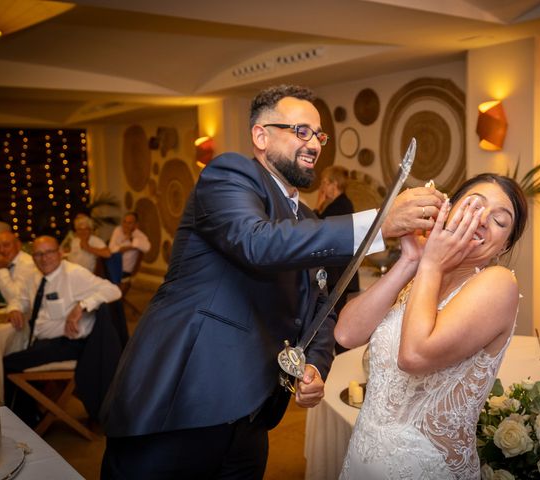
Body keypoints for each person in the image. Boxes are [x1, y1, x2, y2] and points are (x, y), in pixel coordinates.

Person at [100, 84, 445, 479]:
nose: (314, 143)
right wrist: (379, 223)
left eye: (319, 134)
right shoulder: (228, 175)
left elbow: (323, 308)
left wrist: (314, 366)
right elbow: (257, 243)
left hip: (254, 412)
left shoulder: (313, 224)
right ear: (261, 136)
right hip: (181, 403)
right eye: (301, 131)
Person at [335, 174, 528, 479]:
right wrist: (411, 259)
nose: (481, 219)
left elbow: (413, 356)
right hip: (363, 455)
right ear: (448, 209)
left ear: (503, 246)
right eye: (474, 205)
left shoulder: (498, 284)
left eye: (500, 221)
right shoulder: (422, 273)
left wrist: (431, 264)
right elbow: (346, 333)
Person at [3, 235, 121, 424]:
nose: (44, 258)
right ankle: (30, 414)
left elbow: (113, 290)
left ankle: (24, 421)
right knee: (13, 354)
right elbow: (22, 298)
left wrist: (82, 305)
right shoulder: (34, 275)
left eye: (49, 252)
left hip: (70, 344)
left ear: (60, 253)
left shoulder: (74, 274)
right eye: (39, 254)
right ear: (32, 257)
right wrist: (14, 308)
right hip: (44, 342)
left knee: (7, 363)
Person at [314, 165, 360, 353]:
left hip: (337, 275)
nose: (322, 188)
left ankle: (340, 362)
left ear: (334, 184)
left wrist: (317, 206)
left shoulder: (340, 206)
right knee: (335, 317)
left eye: (325, 183)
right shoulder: (338, 205)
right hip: (337, 274)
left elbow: (316, 230)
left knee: (335, 319)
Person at [0, 230, 36, 310]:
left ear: (18, 245)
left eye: (6, 245)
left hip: (24, 315)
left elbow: (15, 298)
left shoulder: (29, 264)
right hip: (3, 312)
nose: (1, 250)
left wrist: (2, 269)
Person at [108, 212, 150, 280]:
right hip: (112, 266)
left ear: (136, 225)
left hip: (124, 271)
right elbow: (111, 249)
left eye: (129, 223)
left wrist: (131, 239)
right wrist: (128, 248)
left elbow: (147, 247)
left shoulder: (139, 235)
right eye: (124, 222)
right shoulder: (118, 230)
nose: (125, 225)